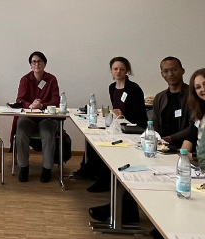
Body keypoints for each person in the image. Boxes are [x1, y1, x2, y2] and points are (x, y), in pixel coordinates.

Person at [79, 57, 148, 192]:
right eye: (116, 69)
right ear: (111, 70)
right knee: (93, 140)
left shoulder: (134, 88)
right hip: (118, 124)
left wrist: (124, 114)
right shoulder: (112, 87)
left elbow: (140, 114)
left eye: (122, 69)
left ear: (127, 71)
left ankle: (103, 180)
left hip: (133, 128)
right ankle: (92, 173)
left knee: (105, 146)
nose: (118, 72)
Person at [15, 51, 61, 183]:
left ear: (45, 64)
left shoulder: (51, 79)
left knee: (47, 134)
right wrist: (30, 105)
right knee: (21, 131)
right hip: (29, 115)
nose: (37, 64)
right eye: (34, 61)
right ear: (30, 65)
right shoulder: (25, 79)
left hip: (46, 117)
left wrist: (41, 105)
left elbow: (56, 100)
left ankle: (47, 168)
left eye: (40, 61)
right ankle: (24, 167)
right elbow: (20, 99)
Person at [151, 57, 196, 150]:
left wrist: (171, 139)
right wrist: (157, 139)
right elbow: (155, 123)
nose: (170, 74)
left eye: (174, 70)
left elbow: (194, 127)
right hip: (163, 147)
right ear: (162, 74)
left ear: (182, 71)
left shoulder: (193, 95)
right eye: (165, 71)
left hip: (185, 148)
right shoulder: (159, 97)